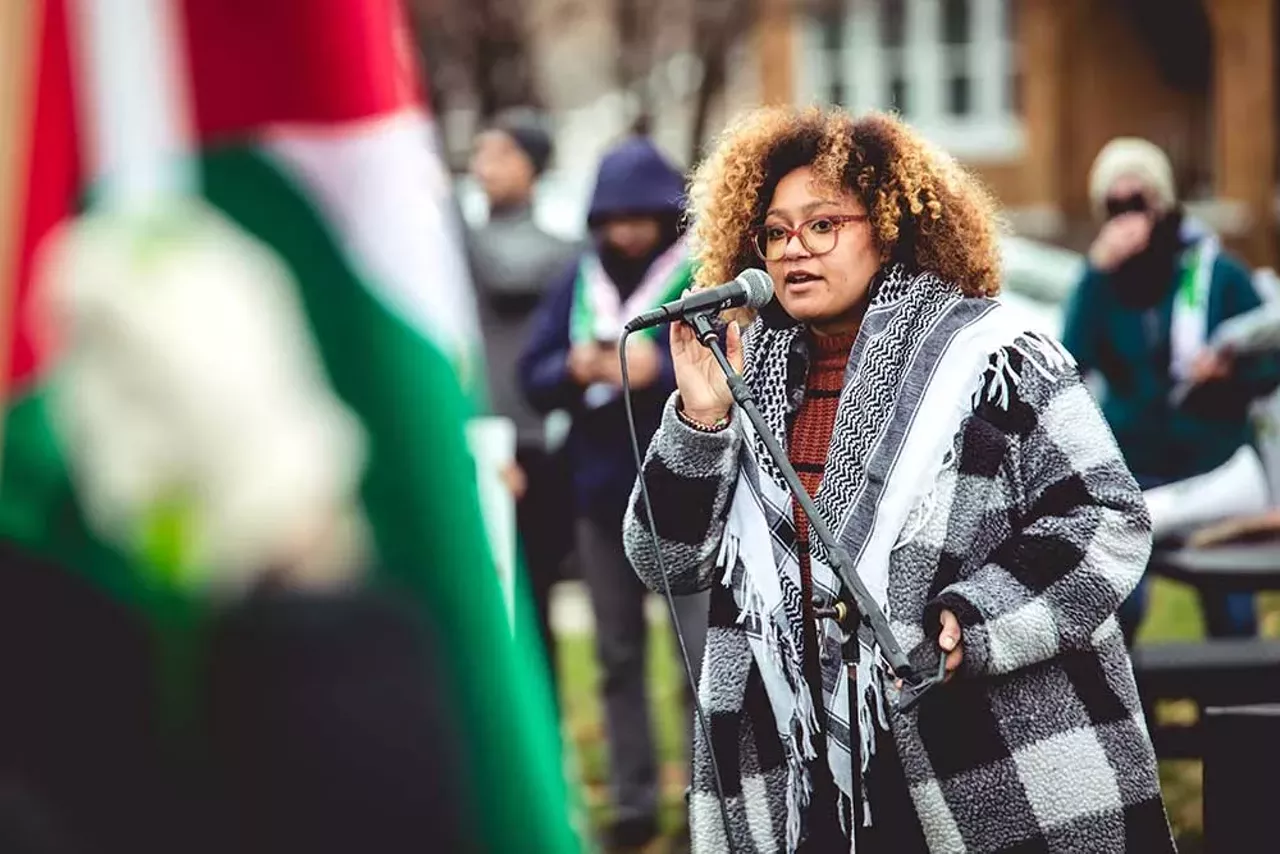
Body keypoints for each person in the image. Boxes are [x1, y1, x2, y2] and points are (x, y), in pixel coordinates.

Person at [622, 106, 1173, 852]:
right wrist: (700, 420)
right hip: (797, 771)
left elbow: (1107, 517)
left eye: (823, 225)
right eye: (776, 232)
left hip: (976, 750)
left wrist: (978, 619)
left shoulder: (990, 356)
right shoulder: (741, 376)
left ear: (886, 225)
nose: (794, 251)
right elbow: (663, 559)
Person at [519, 136, 709, 851]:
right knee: (616, 656)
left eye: (641, 216)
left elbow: (736, 362)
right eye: (613, 217)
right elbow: (533, 374)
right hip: (600, 501)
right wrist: (575, 367)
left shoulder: (697, 272)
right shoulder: (577, 281)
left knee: (700, 660)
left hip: (690, 500)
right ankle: (631, 802)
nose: (626, 231)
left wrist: (654, 370)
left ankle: (703, 801)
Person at [1063, 137, 1280, 643]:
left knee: (1232, 613)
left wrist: (1230, 373)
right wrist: (1095, 273)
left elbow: (1269, 362)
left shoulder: (1214, 273)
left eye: (1136, 203)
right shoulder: (1103, 282)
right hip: (1136, 472)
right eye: (1114, 207)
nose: (1127, 219)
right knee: (1119, 613)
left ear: (1161, 204)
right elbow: (1071, 361)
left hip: (1215, 469)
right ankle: (1139, 717)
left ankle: (1231, 716)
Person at [467, 111, 579, 685]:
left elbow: (505, 271)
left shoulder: (558, 250)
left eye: (501, 154)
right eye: (480, 152)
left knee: (532, 601)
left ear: (533, 166)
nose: (483, 166)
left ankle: (545, 734)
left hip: (531, 444)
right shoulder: (461, 241)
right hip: (467, 438)